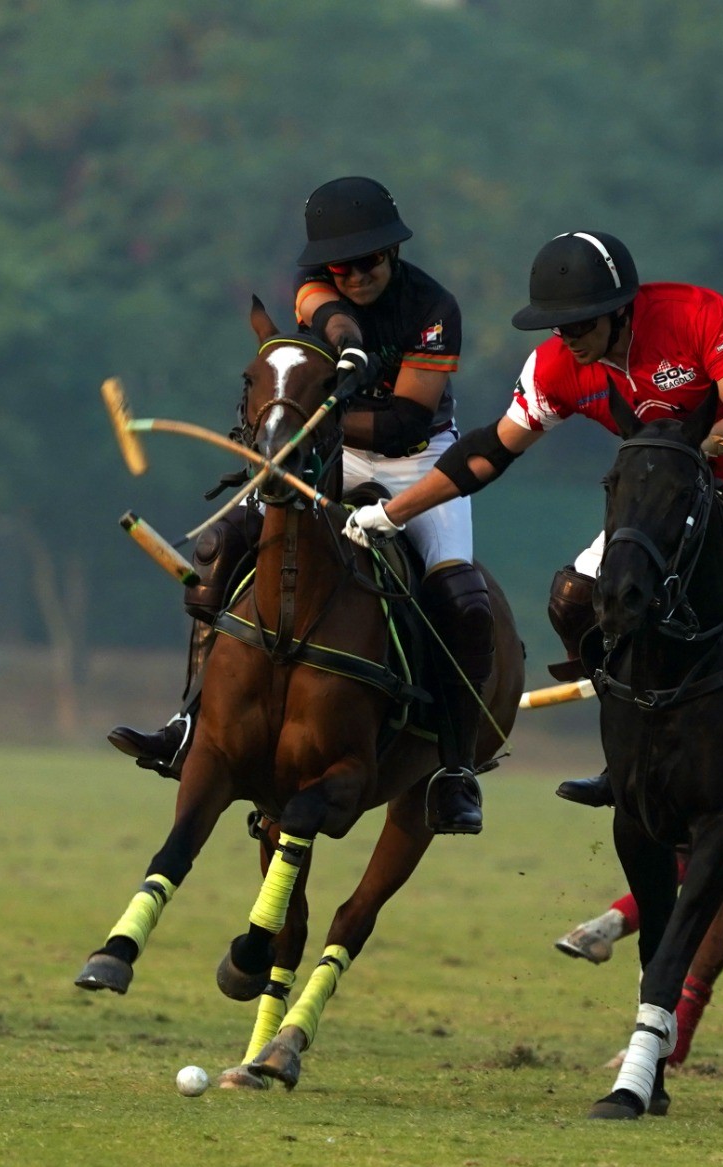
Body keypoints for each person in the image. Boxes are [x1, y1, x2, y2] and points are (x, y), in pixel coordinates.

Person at [344, 230, 723, 844]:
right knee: (576, 599)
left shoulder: (697, 314)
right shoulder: (555, 366)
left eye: (576, 323)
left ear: (618, 310)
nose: (564, 336)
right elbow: (490, 450)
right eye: (555, 324)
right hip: (678, 488)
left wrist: (701, 452)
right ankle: (628, 754)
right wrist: (393, 514)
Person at [109, 176, 491, 835]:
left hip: (417, 460)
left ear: (392, 253)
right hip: (323, 448)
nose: (358, 273)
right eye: (344, 264)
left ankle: (454, 768)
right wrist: (344, 354)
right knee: (216, 550)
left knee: (461, 598)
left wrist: (325, 417)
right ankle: (189, 721)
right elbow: (329, 313)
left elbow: (404, 420)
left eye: (370, 260)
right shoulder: (317, 284)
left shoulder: (433, 306)